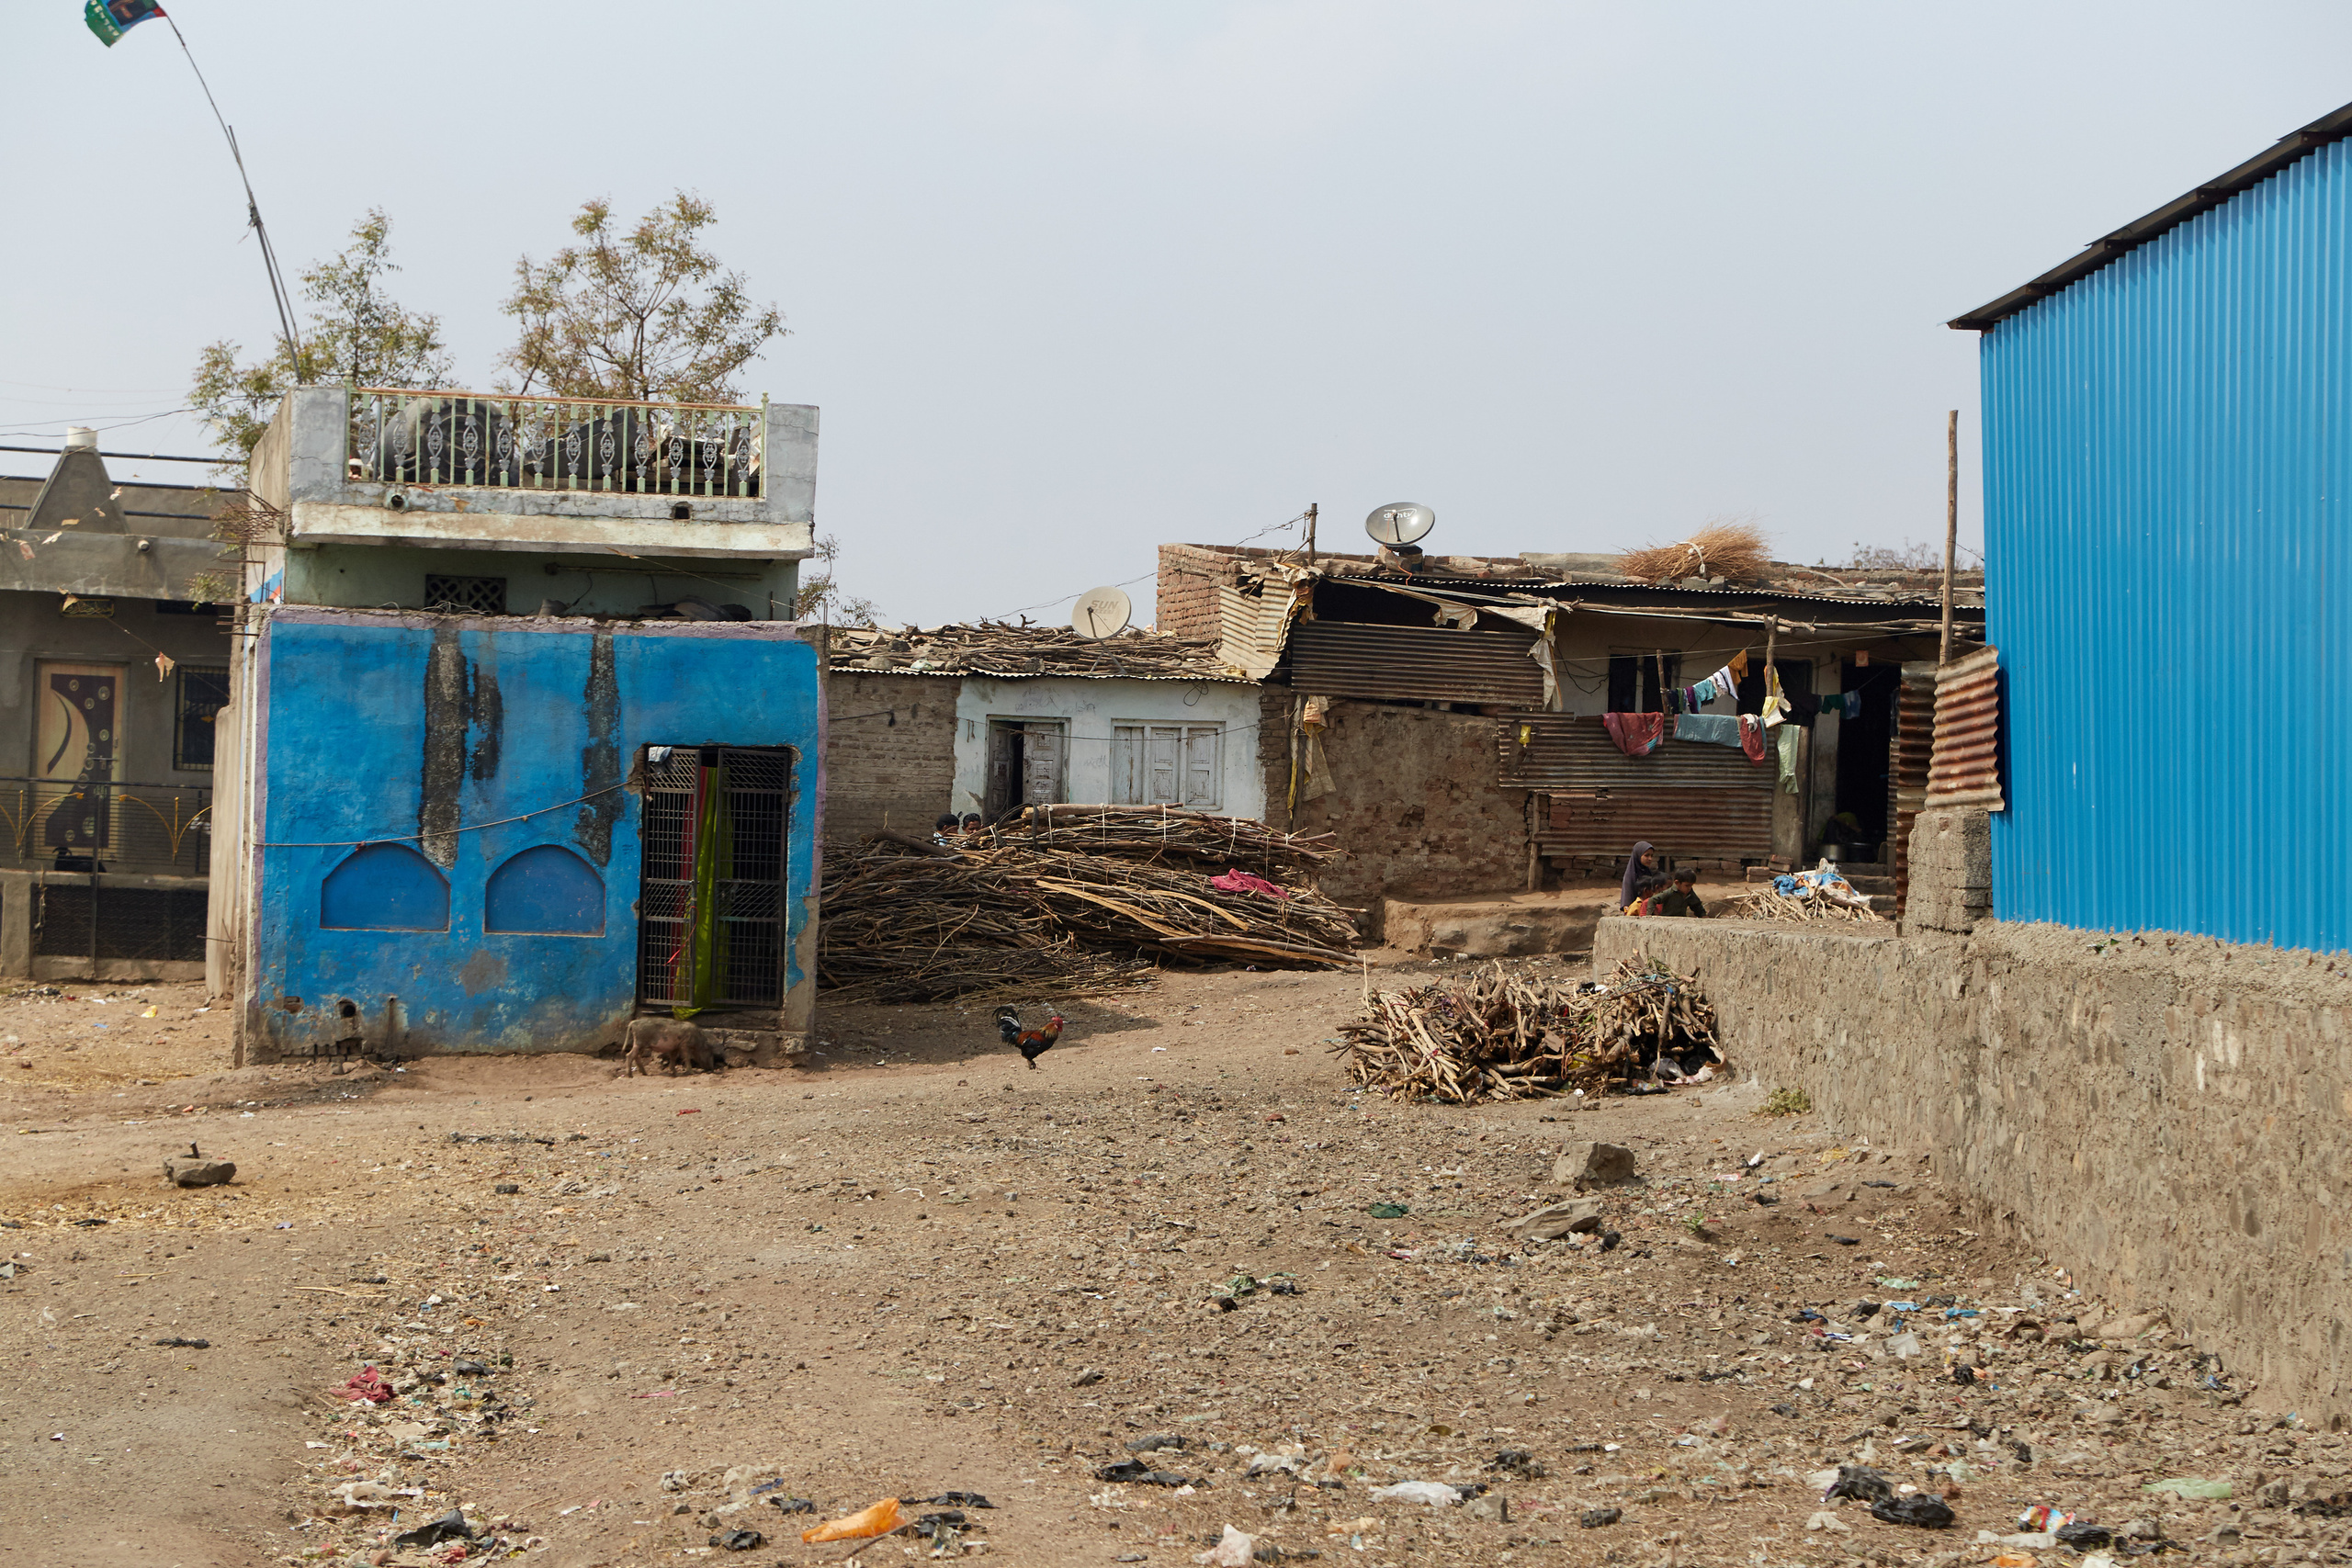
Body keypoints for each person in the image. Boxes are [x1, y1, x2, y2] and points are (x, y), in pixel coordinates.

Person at [1617, 840, 1658, 911]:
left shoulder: (1648, 872)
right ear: (1638, 855)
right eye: (1646, 855)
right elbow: (1627, 900)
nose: (1650, 859)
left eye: (1651, 856)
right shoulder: (1630, 876)